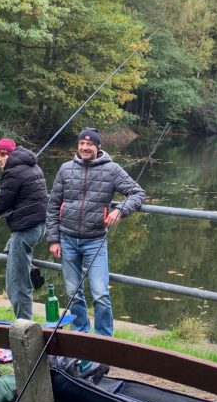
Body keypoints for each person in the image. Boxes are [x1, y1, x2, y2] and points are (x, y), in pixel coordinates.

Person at [46, 127, 145, 336]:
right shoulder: (65, 169)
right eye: (81, 143)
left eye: (89, 144)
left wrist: (121, 209)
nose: (84, 147)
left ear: (98, 147)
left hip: (95, 241)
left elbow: (137, 192)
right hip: (67, 240)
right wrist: (53, 239)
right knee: (74, 293)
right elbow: (53, 205)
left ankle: (103, 340)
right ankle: (81, 335)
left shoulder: (112, 169)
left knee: (100, 294)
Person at [0, 138, 49, 320]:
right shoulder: (32, 165)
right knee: (11, 248)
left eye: (3, 154)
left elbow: (3, 203)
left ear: (11, 153)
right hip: (40, 226)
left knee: (16, 285)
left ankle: (24, 325)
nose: (0, 159)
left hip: (25, 229)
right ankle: (30, 268)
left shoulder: (13, 172)